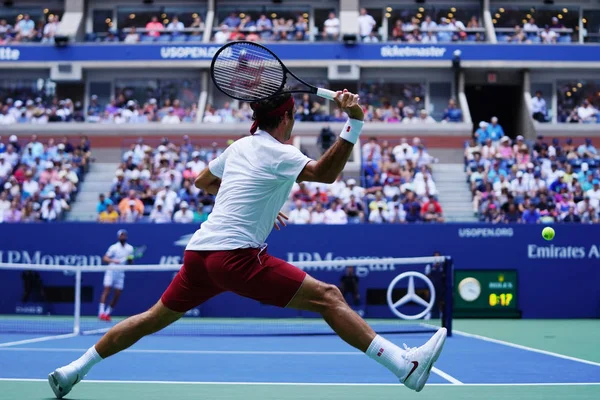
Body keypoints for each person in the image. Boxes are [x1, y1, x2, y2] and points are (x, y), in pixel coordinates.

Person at [48, 90, 446, 398]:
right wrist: (354, 122)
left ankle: (73, 371)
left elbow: (202, 182)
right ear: (286, 117)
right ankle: (403, 366)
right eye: (294, 117)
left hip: (199, 255)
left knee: (151, 319)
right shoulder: (281, 152)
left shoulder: (240, 146)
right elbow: (325, 174)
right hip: (235, 256)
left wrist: (253, 195)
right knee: (328, 296)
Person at [98, 230, 134, 322]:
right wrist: (114, 261)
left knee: (117, 294)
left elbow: (131, 263)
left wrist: (130, 259)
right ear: (118, 237)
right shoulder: (113, 247)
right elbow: (105, 258)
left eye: (124, 235)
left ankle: (107, 313)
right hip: (111, 271)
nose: (123, 237)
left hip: (121, 273)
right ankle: (101, 313)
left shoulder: (130, 248)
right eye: (121, 235)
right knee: (107, 290)